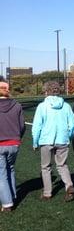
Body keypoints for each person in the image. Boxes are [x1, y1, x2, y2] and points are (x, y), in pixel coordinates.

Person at [32, 81, 74, 202]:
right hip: (63, 140)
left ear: (46, 91)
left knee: (46, 167)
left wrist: (35, 142)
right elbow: (73, 125)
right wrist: (69, 137)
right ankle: (69, 185)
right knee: (62, 165)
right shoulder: (66, 106)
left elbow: (37, 126)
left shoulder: (42, 106)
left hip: (46, 140)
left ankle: (47, 193)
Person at [0, 82, 25, 212]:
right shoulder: (17, 105)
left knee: (1, 174)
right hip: (14, 143)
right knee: (10, 169)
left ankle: (7, 203)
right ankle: (13, 195)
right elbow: (22, 126)